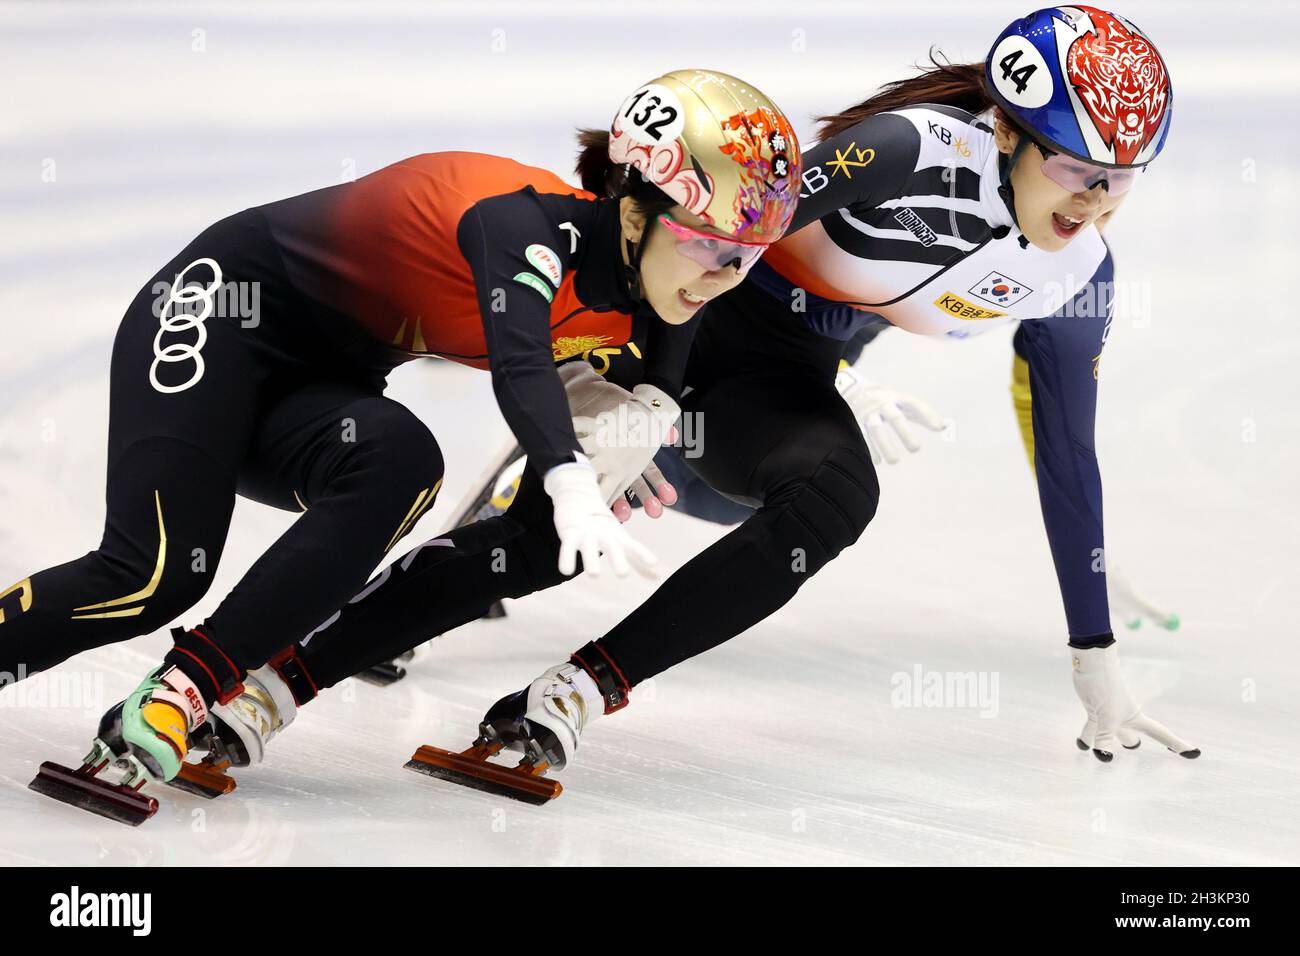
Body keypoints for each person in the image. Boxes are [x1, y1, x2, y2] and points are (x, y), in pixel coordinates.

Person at [178, 4, 1196, 800]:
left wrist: (1091, 645)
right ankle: (283, 677)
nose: (1094, 200)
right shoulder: (908, 148)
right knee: (546, 534)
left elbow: (1070, 453)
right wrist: (641, 376)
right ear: (1007, 130)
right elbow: (719, 230)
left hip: (772, 378)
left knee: (831, 499)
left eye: (1121, 179)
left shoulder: (1078, 275)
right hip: (683, 311)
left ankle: (572, 691)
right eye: (1074, 167)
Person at [18, 69, 800, 818]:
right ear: (634, 212)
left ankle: (183, 690)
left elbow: (637, 409)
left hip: (317, 389)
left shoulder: (665, 300)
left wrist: (599, 478)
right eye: (709, 245)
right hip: (216, 314)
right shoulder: (520, 220)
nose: (723, 277)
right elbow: (521, 357)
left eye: (749, 257)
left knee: (404, 464)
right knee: (151, 573)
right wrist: (566, 473)